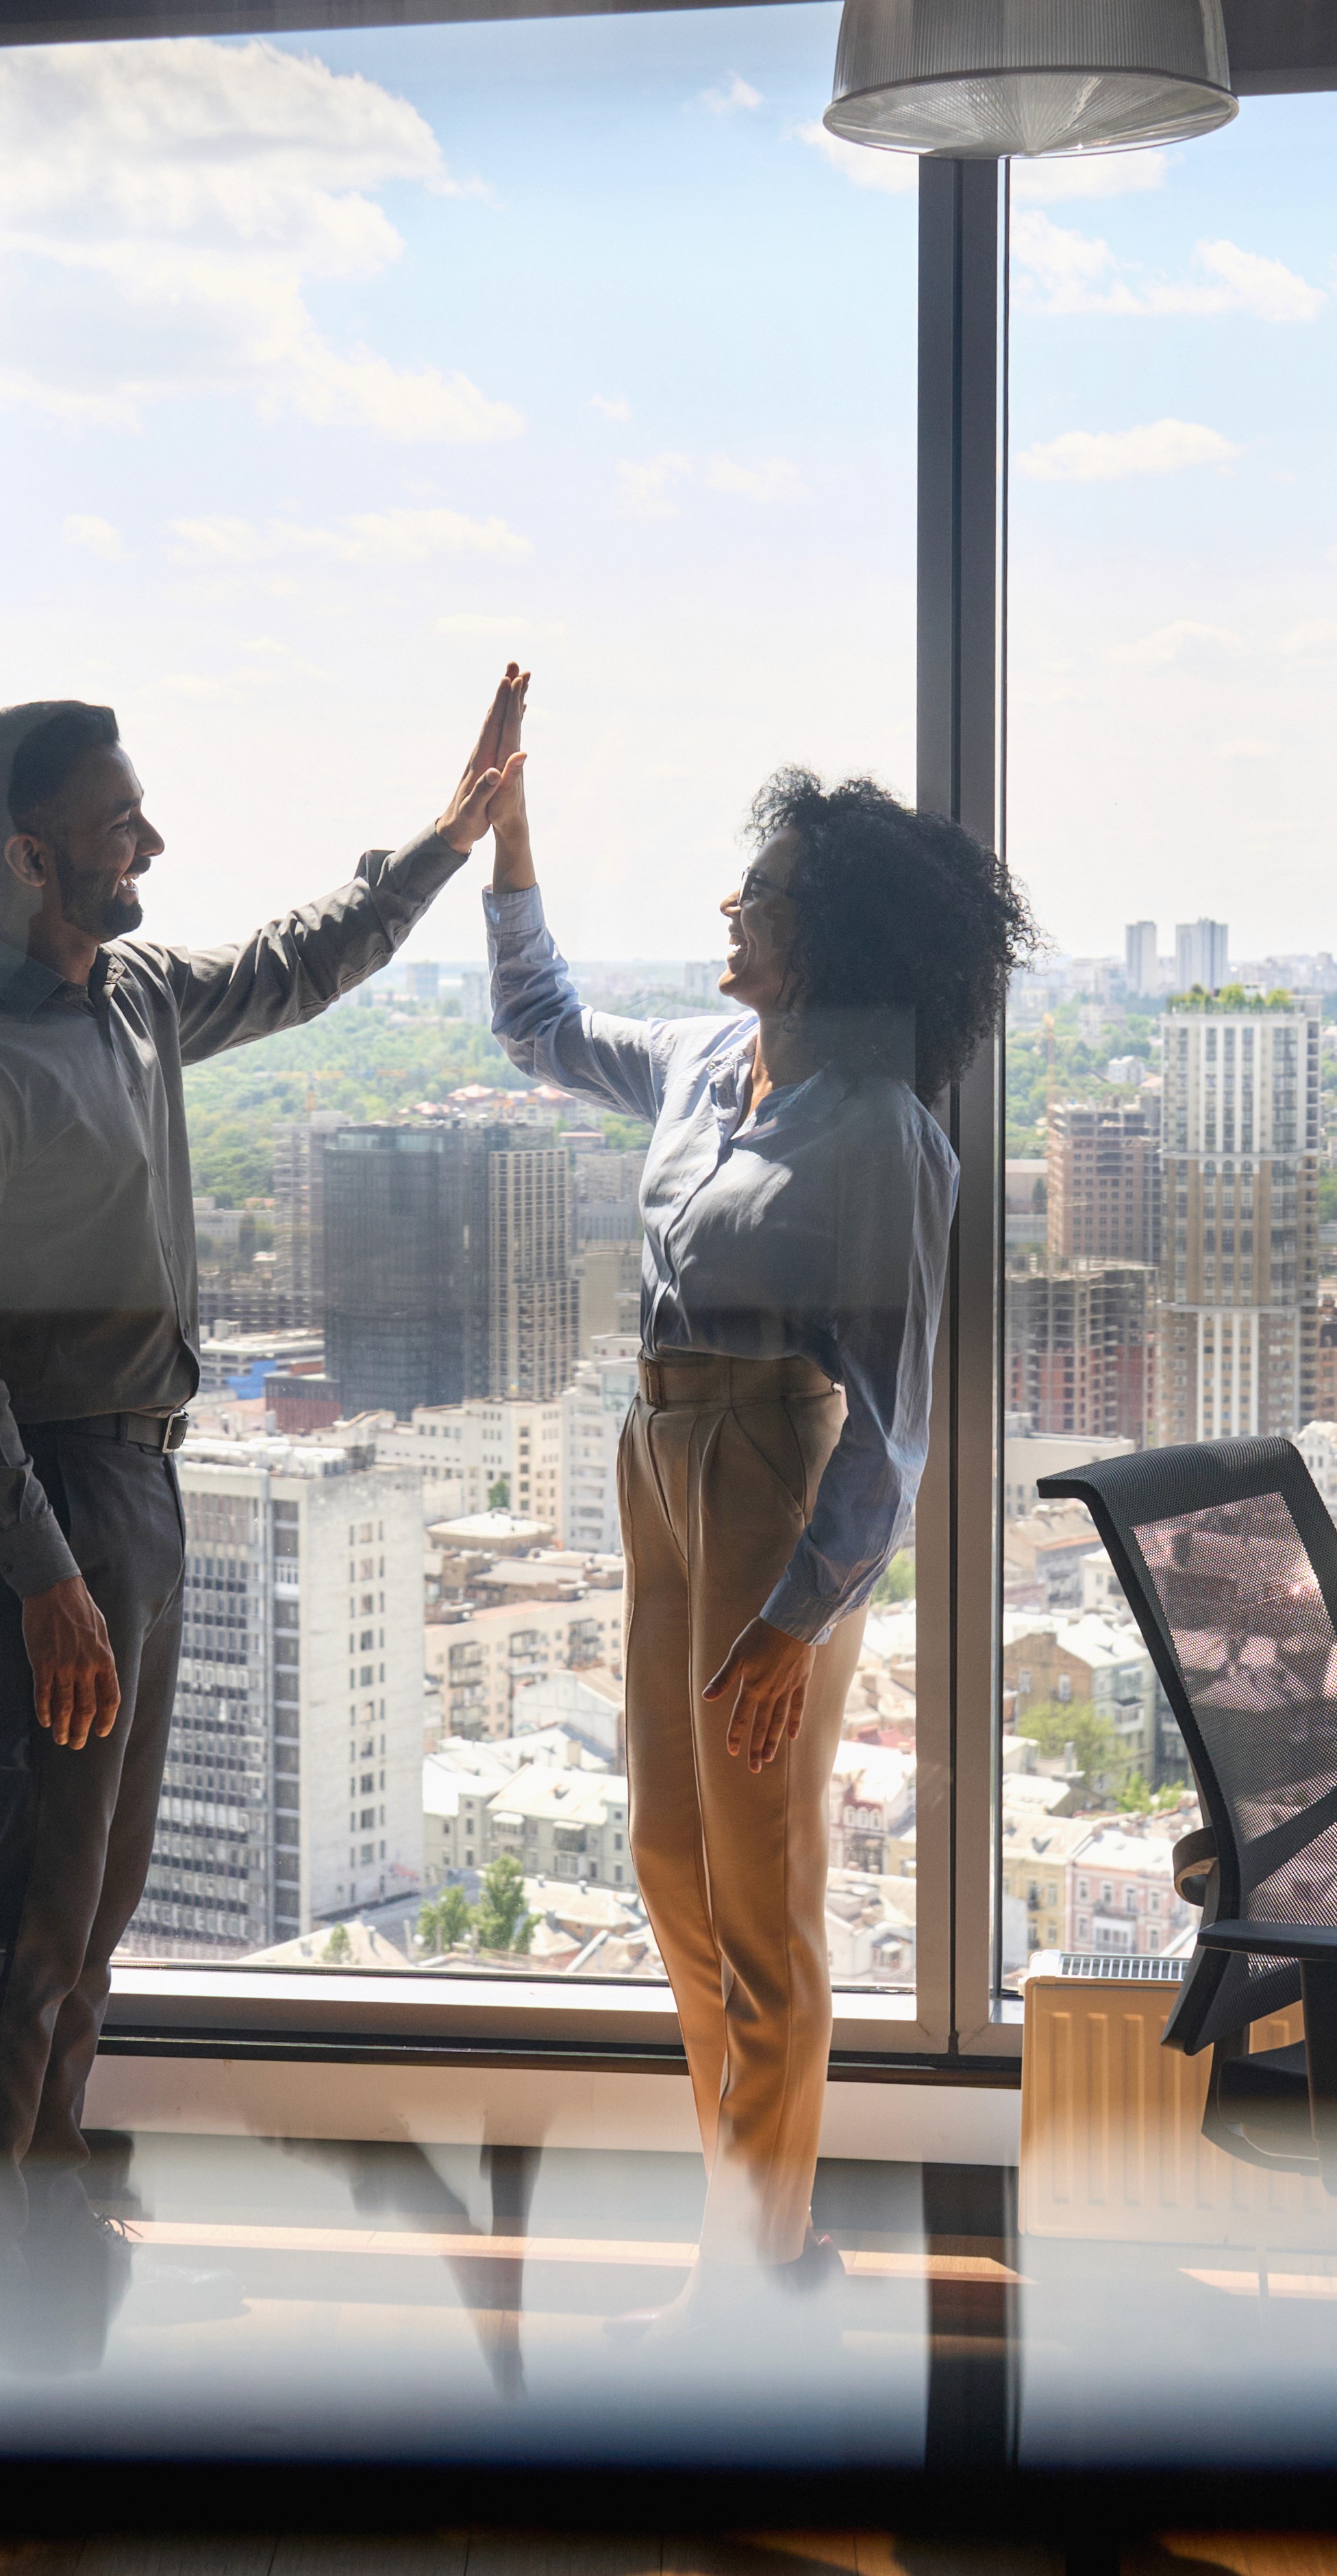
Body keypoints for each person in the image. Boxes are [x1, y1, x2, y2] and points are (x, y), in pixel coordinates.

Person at [0, 678, 525, 2171]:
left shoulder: (135, 995)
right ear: (30, 856)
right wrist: (43, 1580)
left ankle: (43, 2167)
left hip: (138, 1485)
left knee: (96, 1886)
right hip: (46, 1502)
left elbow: (303, 961)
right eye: (117, 824)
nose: (149, 843)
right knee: (34, 1888)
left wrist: (443, 837)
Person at [479, 684, 1029, 2316]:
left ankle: (751, 2263)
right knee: (664, 1855)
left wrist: (800, 1619)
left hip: (774, 1480)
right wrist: (506, 840)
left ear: (832, 940)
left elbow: (895, 1427)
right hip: (656, 1461)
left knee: (760, 1887)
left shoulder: (884, 1138)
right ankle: (763, 2225)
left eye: (764, 894)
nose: (732, 909)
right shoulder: (710, 1061)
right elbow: (536, 1024)